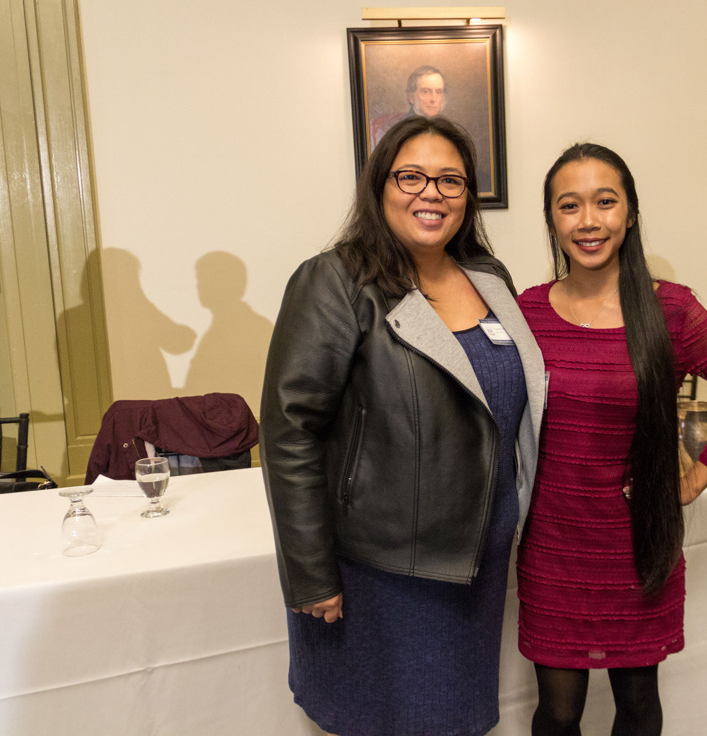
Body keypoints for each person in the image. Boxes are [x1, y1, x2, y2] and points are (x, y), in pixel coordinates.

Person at [259, 115, 545, 736]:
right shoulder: (336, 281)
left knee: (459, 717)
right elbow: (289, 434)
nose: (431, 193)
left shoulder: (491, 280)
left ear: (469, 197)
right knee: (386, 719)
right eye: (411, 175)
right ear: (379, 186)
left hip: (480, 556)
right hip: (381, 569)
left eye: (451, 180)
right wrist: (310, 573)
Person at [515, 143, 707, 736]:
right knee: (556, 713)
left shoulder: (671, 310)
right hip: (552, 544)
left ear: (629, 213)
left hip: (636, 545)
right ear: (552, 219)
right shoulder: (527, 311)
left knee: (636, 706)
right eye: (569, 205)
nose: (588, 221)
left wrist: (690, 481)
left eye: (605, 202)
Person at [370, 65, 447, 148]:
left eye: (438, 92)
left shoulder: (445, 131)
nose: (433, 99)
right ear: (411, 97)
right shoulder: (399, 131)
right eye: (426, 92)